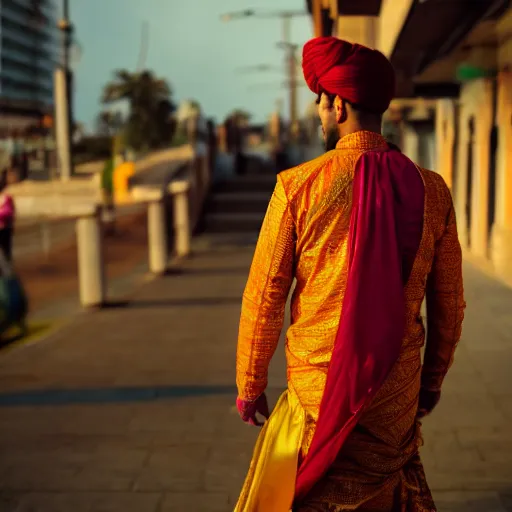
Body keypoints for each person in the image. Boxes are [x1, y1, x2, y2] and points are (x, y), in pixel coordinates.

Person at [234, 37, 465, 512]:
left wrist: (250, 383)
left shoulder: (296, 188)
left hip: (317, 395)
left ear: (338, 105)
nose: (321, 112)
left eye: (321, 102)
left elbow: (265, 294)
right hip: (395, 392)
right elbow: (449, 300)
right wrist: (432, 378)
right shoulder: (433, 190)